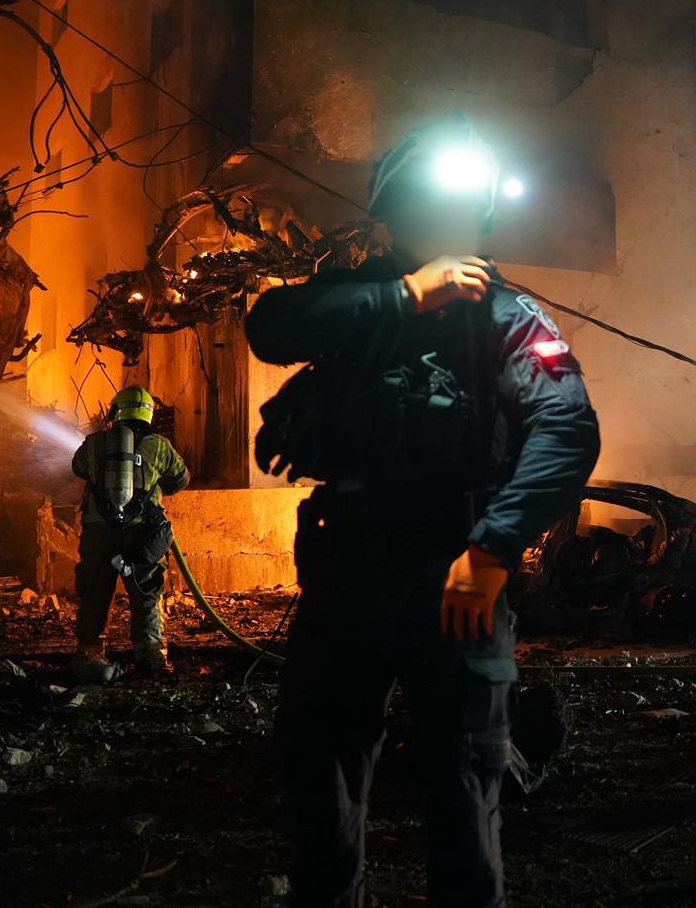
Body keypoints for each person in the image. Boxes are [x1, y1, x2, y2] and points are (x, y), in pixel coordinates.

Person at [245, 113, 600, 908]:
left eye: (462, 209)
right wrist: (404, 295)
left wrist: (493, 550)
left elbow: (567, 427)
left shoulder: (509, 318)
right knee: (318, 765)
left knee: (464, 776)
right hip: (346, 568)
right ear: (395, 217)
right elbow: (270, 325)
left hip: (455, 570)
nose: (448, 223)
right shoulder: (358, 302)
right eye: (430, 208)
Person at [69, 384, 190, 679]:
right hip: (141, 533)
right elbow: (181, 479)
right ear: (148, 414)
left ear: (116, 411)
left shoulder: (94, 443)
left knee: (95, 591)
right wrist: (151, 483)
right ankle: (151, 659)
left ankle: (90, 654)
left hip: (99, 532)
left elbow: (78, 467)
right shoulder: (160, 446)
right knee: (146, 592)